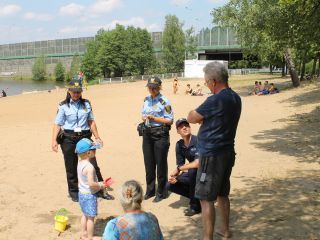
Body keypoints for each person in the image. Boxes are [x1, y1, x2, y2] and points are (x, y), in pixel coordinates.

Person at [187, 62, 241, 240]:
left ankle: (207, 237)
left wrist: (197, 117)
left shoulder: (215, 99)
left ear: (214, 81)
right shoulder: (235, 98)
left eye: (206, 82)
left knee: (205, 198)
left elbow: (192, 117)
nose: (206, 85)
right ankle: (225, 230)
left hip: (212, 155)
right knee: (222, 193)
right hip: (227, 152)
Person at [51, 78, 113, 202]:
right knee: (71, 166)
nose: (76, 94)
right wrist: (54, 141)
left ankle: (101, 190)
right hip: (68, 138)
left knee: (93, 164)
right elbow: (57, 124)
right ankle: (74, 192)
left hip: (85, 137)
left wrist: (97, 137)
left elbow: (91, 121)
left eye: (78, 91)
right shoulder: (63, 106)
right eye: (74, 91)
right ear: (68, 91)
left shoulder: (87, 104)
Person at [141, 76, 173, 202]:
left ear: (159, 87)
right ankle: (150, 191)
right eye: (150, 87)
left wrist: (154, 118)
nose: (152, 90)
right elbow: (143, 114)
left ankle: (161, 191)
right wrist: (144, 118)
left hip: (160, 135)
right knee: (149, 164)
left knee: (161, 164)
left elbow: (169, 120)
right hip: (147, 134)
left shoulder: (164, 101)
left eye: (154, 87)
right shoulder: (146, 99)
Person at [167, 118, 201, 216]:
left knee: (192, 171)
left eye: (186, 125)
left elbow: (197, 163)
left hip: (205, 173)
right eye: (181, 127)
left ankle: (195, 206)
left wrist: (178, 169)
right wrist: (176, 178)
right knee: (169, 184)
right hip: (193, 173)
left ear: (190, 128)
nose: (184, 128)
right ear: (178, 131)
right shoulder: (179, 145)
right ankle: (198, 198)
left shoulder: (198, 140)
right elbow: (180, 165)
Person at [76, 138, 106, 240]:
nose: (95, 151)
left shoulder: (80, 163)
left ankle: (83, 233)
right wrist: (101, 185)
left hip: (81, 193)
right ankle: (89, 237)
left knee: (84, 214)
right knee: (91, 218)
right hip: (89, 195)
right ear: (89, 153)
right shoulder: (90, 167)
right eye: (94, 150)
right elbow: (91, 184)